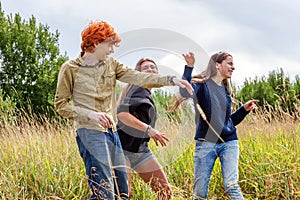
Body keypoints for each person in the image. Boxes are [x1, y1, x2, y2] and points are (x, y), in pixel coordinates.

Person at [54, 20, 193, 200]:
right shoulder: (70, 68)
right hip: (90, 133)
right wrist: (90, 114)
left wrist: (172, 80)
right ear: (96, 42)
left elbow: (138, 77)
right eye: (110, 45)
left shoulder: (112, 65)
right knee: (104, 193)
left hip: (112, 134)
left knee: (122, 193)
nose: (112, 50)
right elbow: (61, 105)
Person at [180, 52, 259, 200]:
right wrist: (189, 67)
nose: (233, 67)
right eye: (229, 63)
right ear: (217, 65)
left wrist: (243, 110)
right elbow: (184, 92)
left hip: (229, 142)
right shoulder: (202, 86)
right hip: (205, 144)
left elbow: (229, 122)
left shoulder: (225, 90)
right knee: (200, 194)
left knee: (232, 186)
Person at [116, 58, 172, 199]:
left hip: (140, 150)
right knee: (123, 194)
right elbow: (122, 114)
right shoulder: (139, 89)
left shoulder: (145, 92)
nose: (151, 70)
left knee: (165, 193)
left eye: (153, 67)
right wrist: (150, 130)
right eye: (146, 68)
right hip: (122, 149)